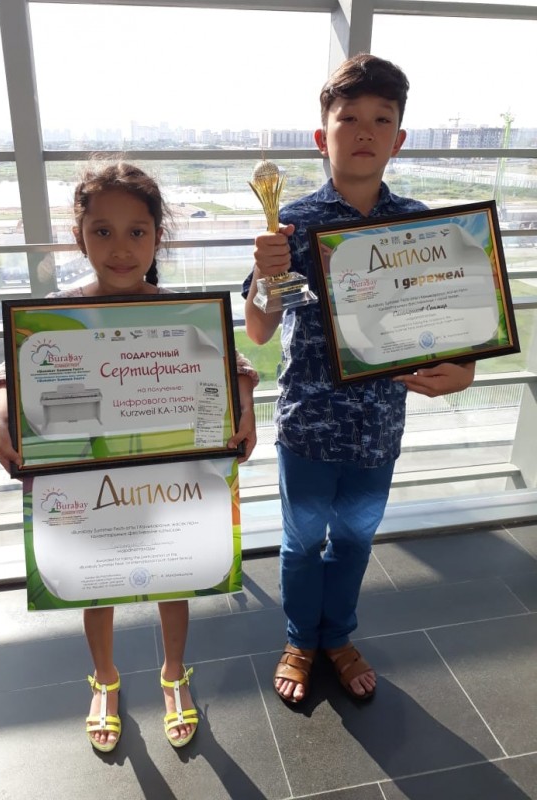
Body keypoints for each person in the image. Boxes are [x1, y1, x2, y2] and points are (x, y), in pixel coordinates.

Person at [0, 160, 259, 751]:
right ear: (78, 236)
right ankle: (105, 679)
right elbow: (11, 370)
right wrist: (4, 414)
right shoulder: (57, 311)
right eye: (102, 231)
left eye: (137, 231)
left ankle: (173, 673)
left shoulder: (181, 309)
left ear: (158, 236)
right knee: (98, 584)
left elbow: (234, 363)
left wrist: (244, 403)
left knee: (175, 573)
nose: (120, 248)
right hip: (92, 480)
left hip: (169, 474)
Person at [243, 54, 475, 705]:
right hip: (308, 425)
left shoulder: (419, 224)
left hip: (379, 426)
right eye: (349, 119)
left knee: (353, 541)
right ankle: (300, 639)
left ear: (399, 139)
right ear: (323, 137)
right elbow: (258, 330)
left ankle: (338, 637)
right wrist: (265, 275)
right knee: (300, 544)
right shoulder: (291, 226)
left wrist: (465, 368)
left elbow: (450, 318)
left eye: (382, 119)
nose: (365, 131)